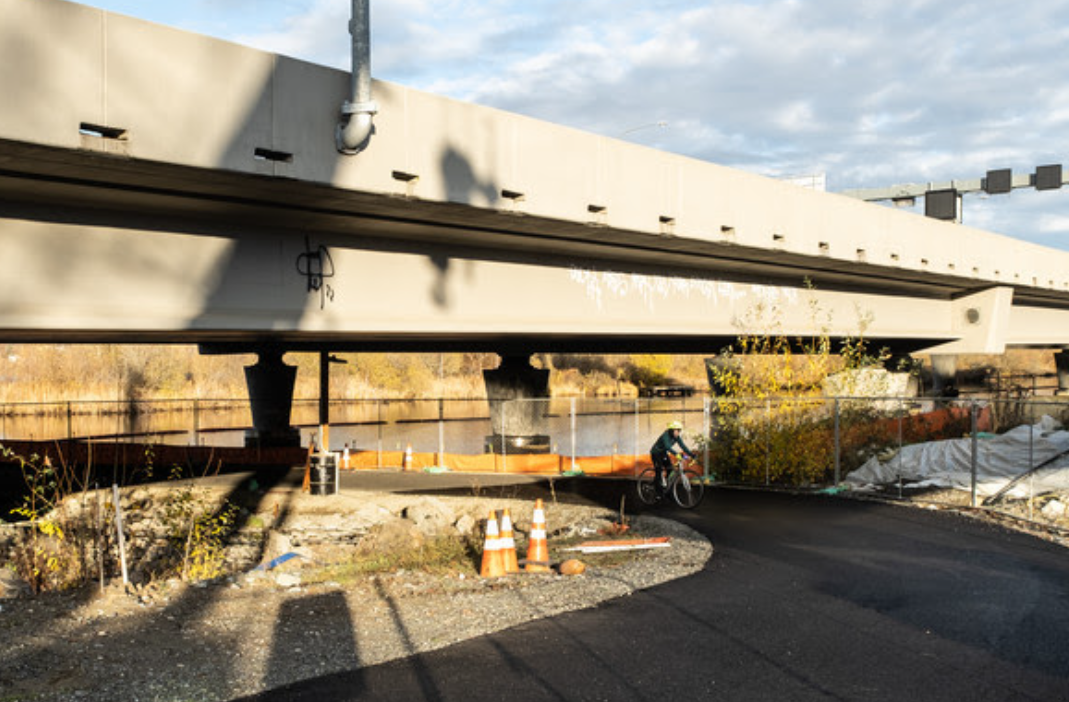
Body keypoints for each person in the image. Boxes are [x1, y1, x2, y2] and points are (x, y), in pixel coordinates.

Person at [650, 420, 693, 494]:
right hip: (656, 453)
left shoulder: (676, 437)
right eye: (677, 430)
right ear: (671, 430)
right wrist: (677, 454)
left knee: (670, 470)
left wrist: (692, 455)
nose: (678, 433)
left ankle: (665, 487)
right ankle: (658, 492)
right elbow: (667, 447)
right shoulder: (665, 435)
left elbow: (683, 446)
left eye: (679, 431)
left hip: (663, 453)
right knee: (659, 471)